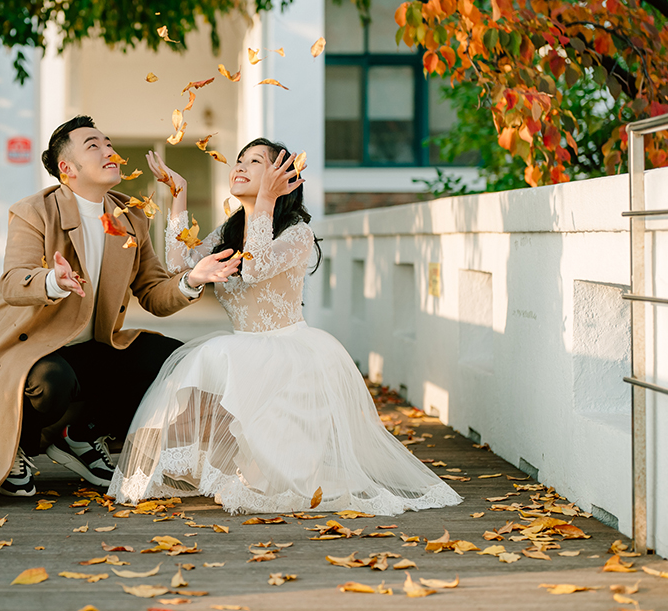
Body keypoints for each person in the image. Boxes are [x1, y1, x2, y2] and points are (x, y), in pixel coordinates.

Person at [107, 138, 462, 514]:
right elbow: (180, 265)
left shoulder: (296, 233)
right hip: (244, 352)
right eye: (240, 159)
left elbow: (257, 268)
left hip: (289, 358)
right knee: (197, 377)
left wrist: (266, 202)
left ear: (281, 176)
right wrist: (178, 194)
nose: (240, 166)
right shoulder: (230, 231)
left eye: (255, 161)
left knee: (276, 473)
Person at [0, 116, 242, 506]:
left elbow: (154, 295)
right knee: (50, 383)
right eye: (93, 145)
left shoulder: (131, 217)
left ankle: (80, 434)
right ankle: (16, 452)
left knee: (172, 361)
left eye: (108, 143)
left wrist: (192, 279)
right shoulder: (34, 211)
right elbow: (12, 282)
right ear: (67, 168)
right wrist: (51, 282)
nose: (108, 151)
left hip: (94, 347)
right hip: (34, 349)